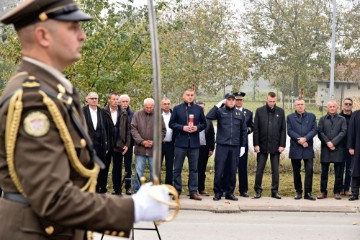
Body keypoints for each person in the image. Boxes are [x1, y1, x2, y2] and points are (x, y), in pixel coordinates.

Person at [0, 1, 169, 239]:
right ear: (43, 36)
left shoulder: (54, 91)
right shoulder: (33, 99)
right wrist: (132, 208)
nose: (83, 36)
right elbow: (53, 198)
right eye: (73, 28)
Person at [207, 94, 247, 201]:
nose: (231, 101)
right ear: (226, 101)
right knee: (219, 170)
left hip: (235, 146)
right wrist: (219, 104)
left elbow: (243, 131)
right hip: (222, 146)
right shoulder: (220, 112)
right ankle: (218, 193)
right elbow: (209, 116)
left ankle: (229, 192)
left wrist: (243, 146)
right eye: (229, 100)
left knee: (232, 171)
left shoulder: (240, 113)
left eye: (233, 100)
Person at [169, 88, 207, 200]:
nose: (190, 97)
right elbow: (171, 124)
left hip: (194, 144)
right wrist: (182, 127)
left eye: (192, 95)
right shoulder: (177, 109)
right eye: (188, 95)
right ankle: (177, 191)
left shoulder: (198, 109)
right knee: (177, 169)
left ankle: (193, 192)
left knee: (194, 169)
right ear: (183, 96)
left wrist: (197, 127)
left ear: (194, 96)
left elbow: (204, 124)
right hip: (180, 143)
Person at [253, 91, 286, 199]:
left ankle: (274, 191)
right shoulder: (259, 111)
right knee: (259, 169)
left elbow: (283, 129)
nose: (272, 103)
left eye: (273, 101)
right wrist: (256, 144)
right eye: (270, 101)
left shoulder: (280, 112)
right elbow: (256, 129)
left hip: (276, 146)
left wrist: (282, 145)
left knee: (275, 170)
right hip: (262, 146)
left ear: (276, 100)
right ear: (266, 100)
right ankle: (258, 190)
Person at [131, 98, 166, 193]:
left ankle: (152, 192)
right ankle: (137, 191)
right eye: (147, 107)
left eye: (151, 107)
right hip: (140, 149)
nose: (149, 109)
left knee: (154, 172)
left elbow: (163, 131)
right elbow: (133, 129)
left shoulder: (159, 116)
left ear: (154, 107)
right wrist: (142, 142)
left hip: (153, 150)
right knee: (138, 171)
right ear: (144, 106)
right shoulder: (137, 114)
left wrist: (154, 142)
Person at [287, 99, 317, 200]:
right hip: (296, 147)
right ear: (295, 106)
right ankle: (298, 191)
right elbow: (290, 131)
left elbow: (314, 130)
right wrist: (300, 140)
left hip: (308, 147)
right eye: (298, 104)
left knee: (309, 170)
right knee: (296, 171)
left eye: (302, 104)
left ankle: (308, 192)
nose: (300, 106)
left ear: (305, 105)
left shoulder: (312, 116)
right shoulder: (290, 117)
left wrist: (305, 139)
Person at [317, 100, 347, 200]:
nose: (332, 108)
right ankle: (323, 192)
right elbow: (320, 132)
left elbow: (343, 132)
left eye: (334, 106)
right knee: (324, 173)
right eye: (330, 106)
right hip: (326, 149)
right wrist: (328, 143)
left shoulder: (342, 119)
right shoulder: (322, 119)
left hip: (338, 149)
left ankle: (337, 192)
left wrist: (333, 143)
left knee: (338, 173)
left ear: (337, 108)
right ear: (327, 108)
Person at [104, 92, 130, 195]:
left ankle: (117, 189)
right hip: (107, 144)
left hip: (119, 144)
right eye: (113, 99)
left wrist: (127, 144)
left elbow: (128, 130)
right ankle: (102, 188)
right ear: (109, 100)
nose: (115, 101)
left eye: (117, 99)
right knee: (104, 167)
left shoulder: (123, 112)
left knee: (117, 168)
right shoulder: (103, 112)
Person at [83, 92, 110, 193]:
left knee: (100, 168)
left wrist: (107, 145)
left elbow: (107, 129)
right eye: (92, 98)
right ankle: (88, 188)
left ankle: (100, 188)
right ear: (88, 100)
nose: (94, 100)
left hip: (101, 145)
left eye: (96, 98)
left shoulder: (102, 112)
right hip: (87, 145)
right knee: (88, 167)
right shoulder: (82, 112)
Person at [234, 92, 253, 197]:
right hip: (232, 142)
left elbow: (252, 126)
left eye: (240, 100)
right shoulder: (230, 111)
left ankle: (243, 190)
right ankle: (228, 188)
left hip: (243, 143)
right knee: (230, 167)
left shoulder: (248, 113)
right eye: (237, 100)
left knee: (242, 167)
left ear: (243, 101)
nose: (238, 102)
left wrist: (247, 130)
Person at [196, 101, 215, 196]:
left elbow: (212, 135)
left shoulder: (208, 120)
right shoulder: (192, 119)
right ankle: (193, 189)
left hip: (204, 148)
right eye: (199, 107)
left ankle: (201, 188)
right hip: (193, 147)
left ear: (204, 108)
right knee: (193, 168)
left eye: (202, 108)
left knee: (202, 169)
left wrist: (211, 149)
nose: (201, 109)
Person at [119, 94, 134, 195]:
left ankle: (128, 187)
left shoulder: (132, 114)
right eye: (123, 102)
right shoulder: (116, 112)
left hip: (129, 144)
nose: (125, 104)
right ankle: (117, 187)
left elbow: (132, 129)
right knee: (117, 166)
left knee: (128, 166)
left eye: (126, 102)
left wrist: (128, 145)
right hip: (118, 144)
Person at [340, 98, 353, 196]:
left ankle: (347, 189)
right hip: (339, 147)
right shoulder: (338, 117)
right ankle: (339, 188)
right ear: (343, 105)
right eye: (346, 104)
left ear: (352, 105)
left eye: (349, 104)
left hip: (351, 148)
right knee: (339, 168)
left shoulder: (355, 117)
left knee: (349, 169)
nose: (347, 105)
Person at [161, 97, 175, 185]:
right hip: (159, 144)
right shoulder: (157, 115)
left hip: (171, 144)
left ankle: (168, 186)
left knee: (170, 166)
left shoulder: (174, 114)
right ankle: (157, 186)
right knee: (157, 166)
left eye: (168, 104)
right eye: (164, 104)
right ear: (161, 105)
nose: (166, 106)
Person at [347, 110, 360, 201]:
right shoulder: (356, 114)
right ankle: (355, 193)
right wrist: (351, 147)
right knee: (356, 171)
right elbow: (351, 131)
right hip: (358, 147)